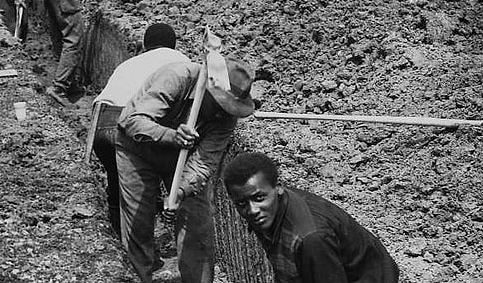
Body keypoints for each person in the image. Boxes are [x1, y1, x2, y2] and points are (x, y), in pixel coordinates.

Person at [116, 58, 255, 282]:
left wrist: (178, 193)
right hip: (137, 150)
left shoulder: (226, 119)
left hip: (183, 159)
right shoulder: (178, 77)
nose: (222, 111)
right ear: (207, 88)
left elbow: (204, 163)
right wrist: (172, 136)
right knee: (138, 224)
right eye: (220, 103)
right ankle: (138, 277)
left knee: (198, 225)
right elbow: (133, 121)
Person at [223, 152, 400, 283]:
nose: (252, 210)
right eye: (241, 203)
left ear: (278, 188)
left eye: (259, 198)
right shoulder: (268, 211)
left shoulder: (310, 238)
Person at [88, 23, 190, 236]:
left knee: (117, 184)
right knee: (142, 188)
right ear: (174, 45)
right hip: (130, 122)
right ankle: (144, 251)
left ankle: (117, 244)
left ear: (145, 46)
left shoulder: (130, 64)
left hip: (101, 122)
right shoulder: (182, 62)